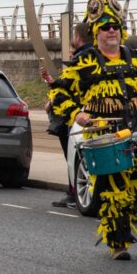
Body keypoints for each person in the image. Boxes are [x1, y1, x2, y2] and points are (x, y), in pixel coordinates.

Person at [48, 0, 137, 260]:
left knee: (134, 191)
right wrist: (79, 114)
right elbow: (60, 94)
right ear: (97, 31)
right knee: (113, 190)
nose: (112, 31)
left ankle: (122, 232)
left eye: (116, 27)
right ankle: (117, 243)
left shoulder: (132, 58)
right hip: (103, 136)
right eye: (106, 27)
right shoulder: (87, 60)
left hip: (133, 131)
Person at [42, 21, 93, 209]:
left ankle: (73, 193)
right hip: (87, 114)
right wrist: (53, 84)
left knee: (73, 156)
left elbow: (68, 87)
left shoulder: (82, 59)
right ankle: (74, 191)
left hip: (76, 117)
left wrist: (54, 98)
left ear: (77, 37)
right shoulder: (97, 56)